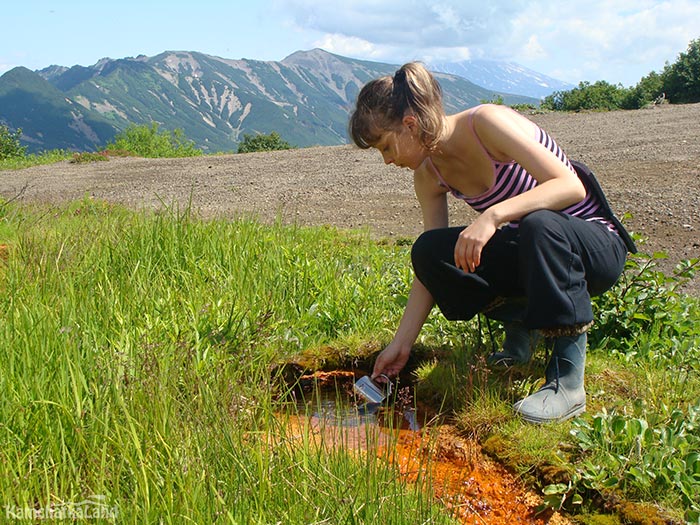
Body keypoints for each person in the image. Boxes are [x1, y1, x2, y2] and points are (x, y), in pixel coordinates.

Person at [349, 62, 636, 424]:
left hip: (592, 245)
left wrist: (493, 216)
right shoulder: (429, 174)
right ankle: (522, 333)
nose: (387, 160)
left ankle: (567, 382)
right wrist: (400, 344)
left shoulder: (486, 123)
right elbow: (430, 273)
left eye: (386, 147)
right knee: (429, 251)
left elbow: (569, 186)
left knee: (539, 224)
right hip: (535, 253)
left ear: (409, 125)